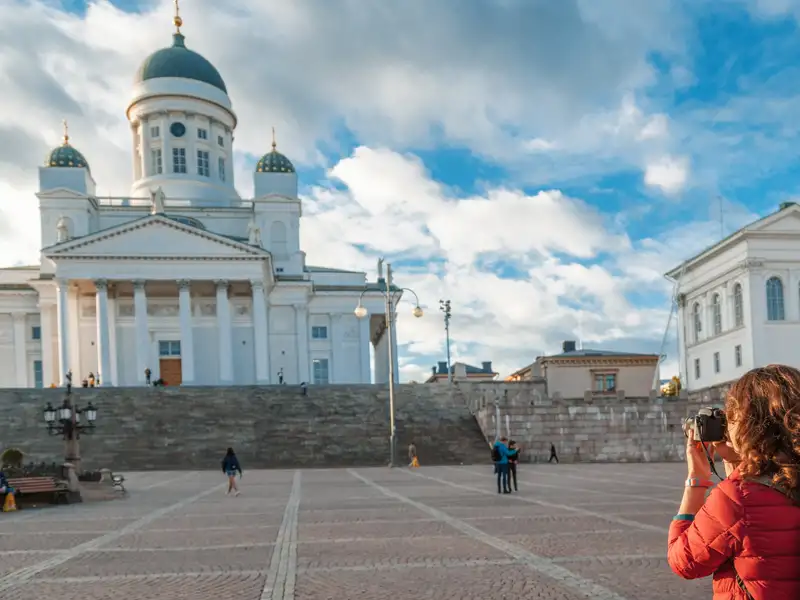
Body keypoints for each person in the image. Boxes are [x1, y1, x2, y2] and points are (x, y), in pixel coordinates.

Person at [667, 365, 800, 599]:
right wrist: (742, 468)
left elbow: (684, 562)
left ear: (748, 424)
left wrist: (697, 480)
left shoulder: (738, 497)